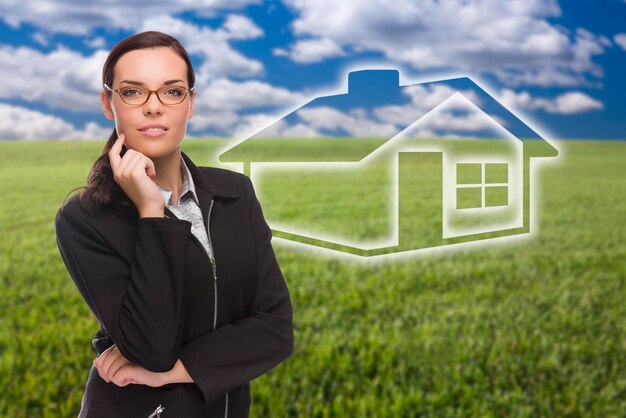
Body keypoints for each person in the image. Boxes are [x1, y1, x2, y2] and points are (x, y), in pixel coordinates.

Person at [54, 31, 293, 418]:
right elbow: (150, 347)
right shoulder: (84, 219)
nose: (153, 107)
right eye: (133, 92)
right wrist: (151, 211)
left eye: (172, 91)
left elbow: (276, 329)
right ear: (107, 102)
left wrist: (173, 372)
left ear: (191, 103)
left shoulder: (235, 194)